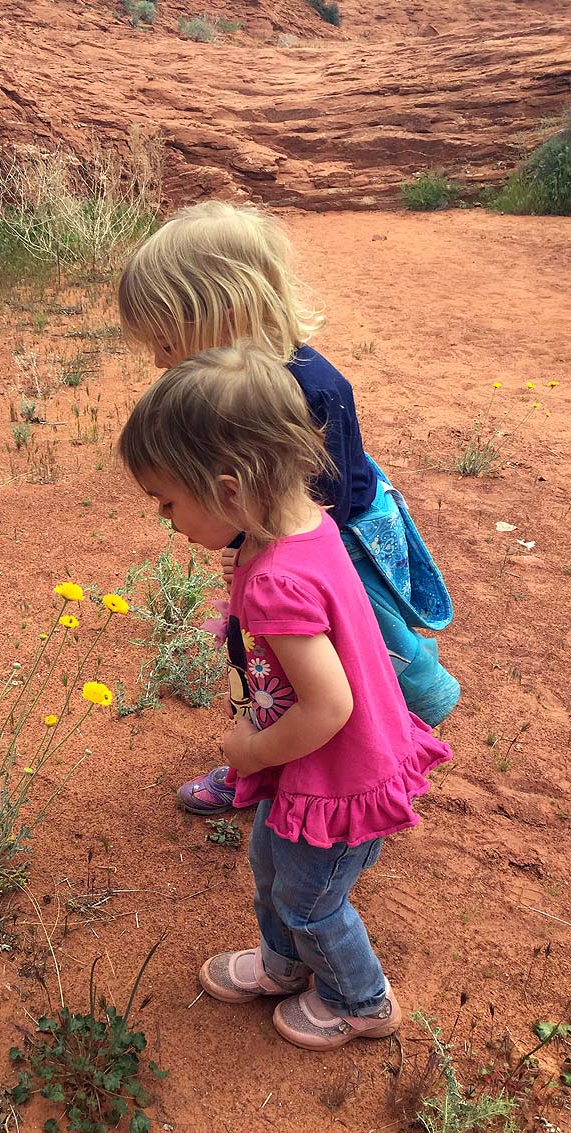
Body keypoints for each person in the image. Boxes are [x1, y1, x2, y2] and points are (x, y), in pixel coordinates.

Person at [117, 343, 452, 1049]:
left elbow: (330, 706)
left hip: (341, 772)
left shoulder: (277, 580)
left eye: (168, 500)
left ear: (230, 489)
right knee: (269, 862)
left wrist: (249, 748)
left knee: (309, 895)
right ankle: (283, 965)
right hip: (316, 766)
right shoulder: (305, 528)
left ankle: (360, 999)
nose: (166, 519)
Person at [118, 199, 459, 815]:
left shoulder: (309, 389)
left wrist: (265, 556)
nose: (160, 359)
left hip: (333, 547)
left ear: (223, 312)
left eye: (167, 338)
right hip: (280, 543)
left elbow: (318, 499)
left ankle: (390, 749)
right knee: (266, 662)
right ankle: (266, 764)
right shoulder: (233, 388)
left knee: (367, 655)